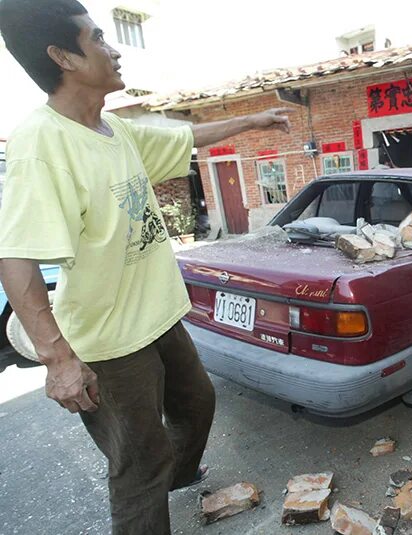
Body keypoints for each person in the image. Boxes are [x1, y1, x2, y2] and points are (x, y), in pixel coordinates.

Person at [0, 1, 293, 533]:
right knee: (138, 466)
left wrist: (254, 119)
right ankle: (154, 489)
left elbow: (184, 137)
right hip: (109, 341)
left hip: (156, 318)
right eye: (96, 39)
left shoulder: (113, 130)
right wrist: (58, 360)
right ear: (63, 57)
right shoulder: (41, 144)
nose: (112, 50)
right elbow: (16, 257)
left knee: (197, 402)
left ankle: (176, 478)